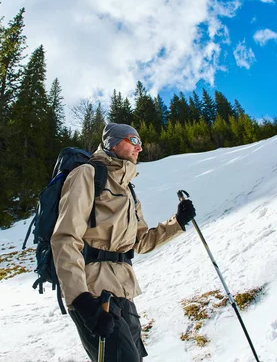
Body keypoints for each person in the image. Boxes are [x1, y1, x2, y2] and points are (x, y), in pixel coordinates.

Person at [51, 122, 196, 362]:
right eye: (134, 141)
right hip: (94, 292)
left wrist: (178, 221)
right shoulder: (87, 174)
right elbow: (65, 237)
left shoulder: (129, 190)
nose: (140, 148)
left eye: (140, 142)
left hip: (123, 292)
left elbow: (140, 242)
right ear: (113, 143)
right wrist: (81, 300)